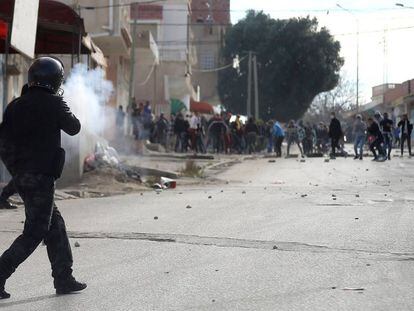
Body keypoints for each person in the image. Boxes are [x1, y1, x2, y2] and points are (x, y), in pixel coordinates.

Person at [0, 57, 86, 299]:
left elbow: (3, 143)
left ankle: (64, 278)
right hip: (42, 178)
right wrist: (62, 103)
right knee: (35, 231)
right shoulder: (55, 103)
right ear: (56, 80)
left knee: (55, 226)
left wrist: (17, 171)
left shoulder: (16, 105)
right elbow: (74, 127)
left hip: (23, 178)